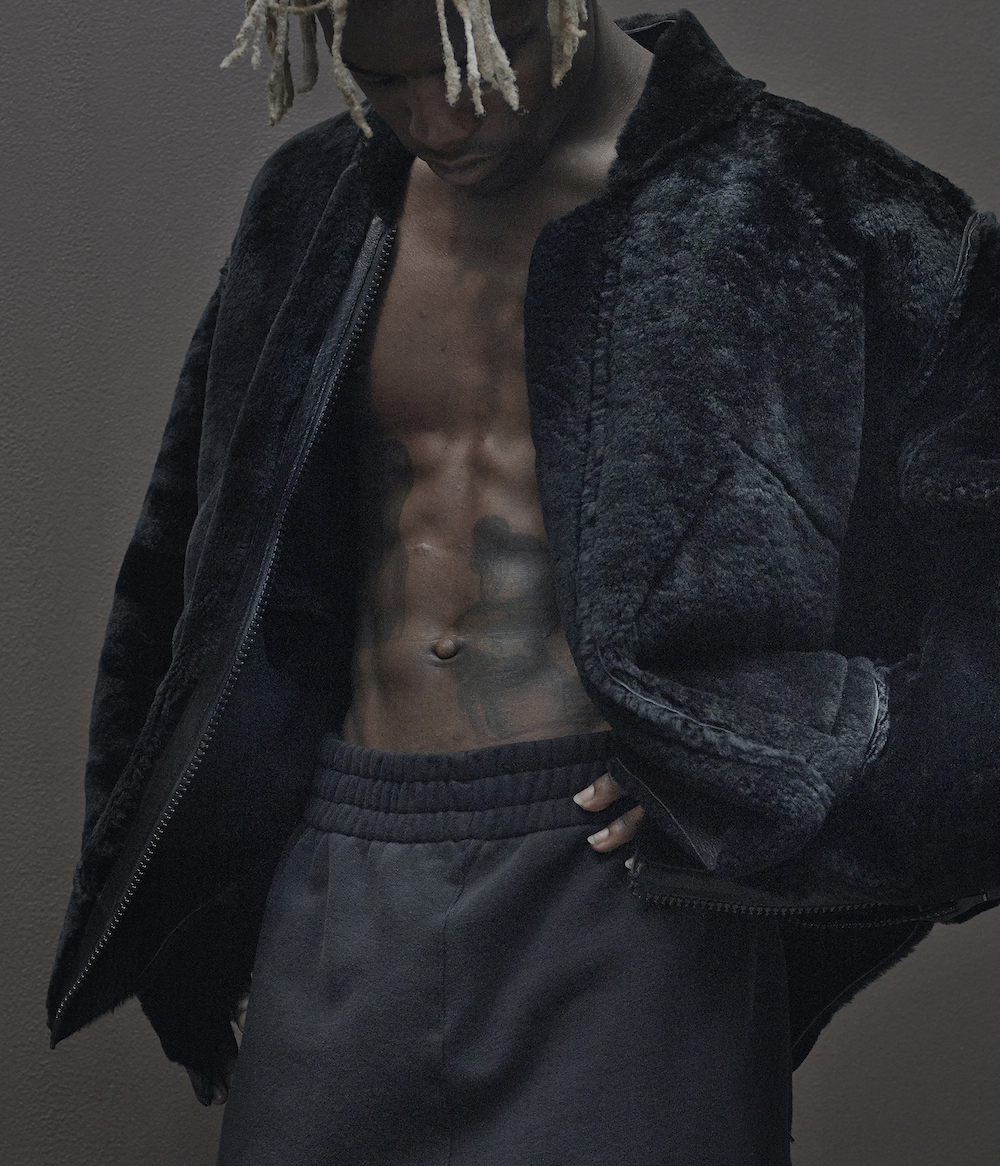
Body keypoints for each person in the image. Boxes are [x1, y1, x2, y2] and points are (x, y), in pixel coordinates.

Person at [48, 1, 1000, 1162]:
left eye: (471, 70)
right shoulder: (314, 204)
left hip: (625, 892)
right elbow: (184, 569)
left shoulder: (816, 202)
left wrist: (791, 755)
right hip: (343, 870)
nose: (438, 122)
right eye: (385, 82)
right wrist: (186, 939)